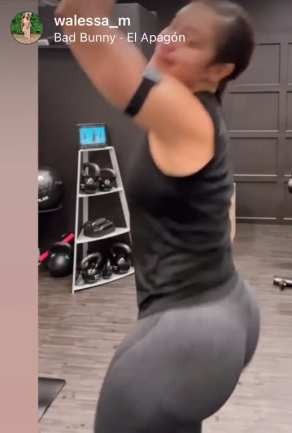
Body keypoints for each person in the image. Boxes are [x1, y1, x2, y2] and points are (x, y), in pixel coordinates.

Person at [56, 1, 261, 432]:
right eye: (172, 26)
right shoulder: (198, 114)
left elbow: (76, 16)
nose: (167, 40)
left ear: (219, 70)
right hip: (225, 308)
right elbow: (223, 216)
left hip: (188, 332)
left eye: (189, 40)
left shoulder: (185, 115)